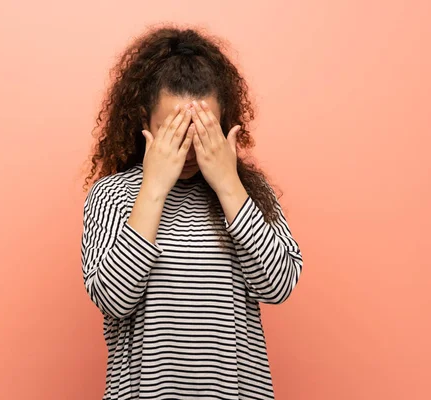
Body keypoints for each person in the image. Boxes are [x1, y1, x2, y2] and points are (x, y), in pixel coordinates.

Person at [81, 25, 303, 400]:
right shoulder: (113, 196)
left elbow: (279, 286)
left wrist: (228, 184)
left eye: (201, 130)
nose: (187, 149)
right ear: (144, 122)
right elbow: (112, 299)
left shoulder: (248, 192)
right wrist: (153, 187)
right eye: (174, 131)